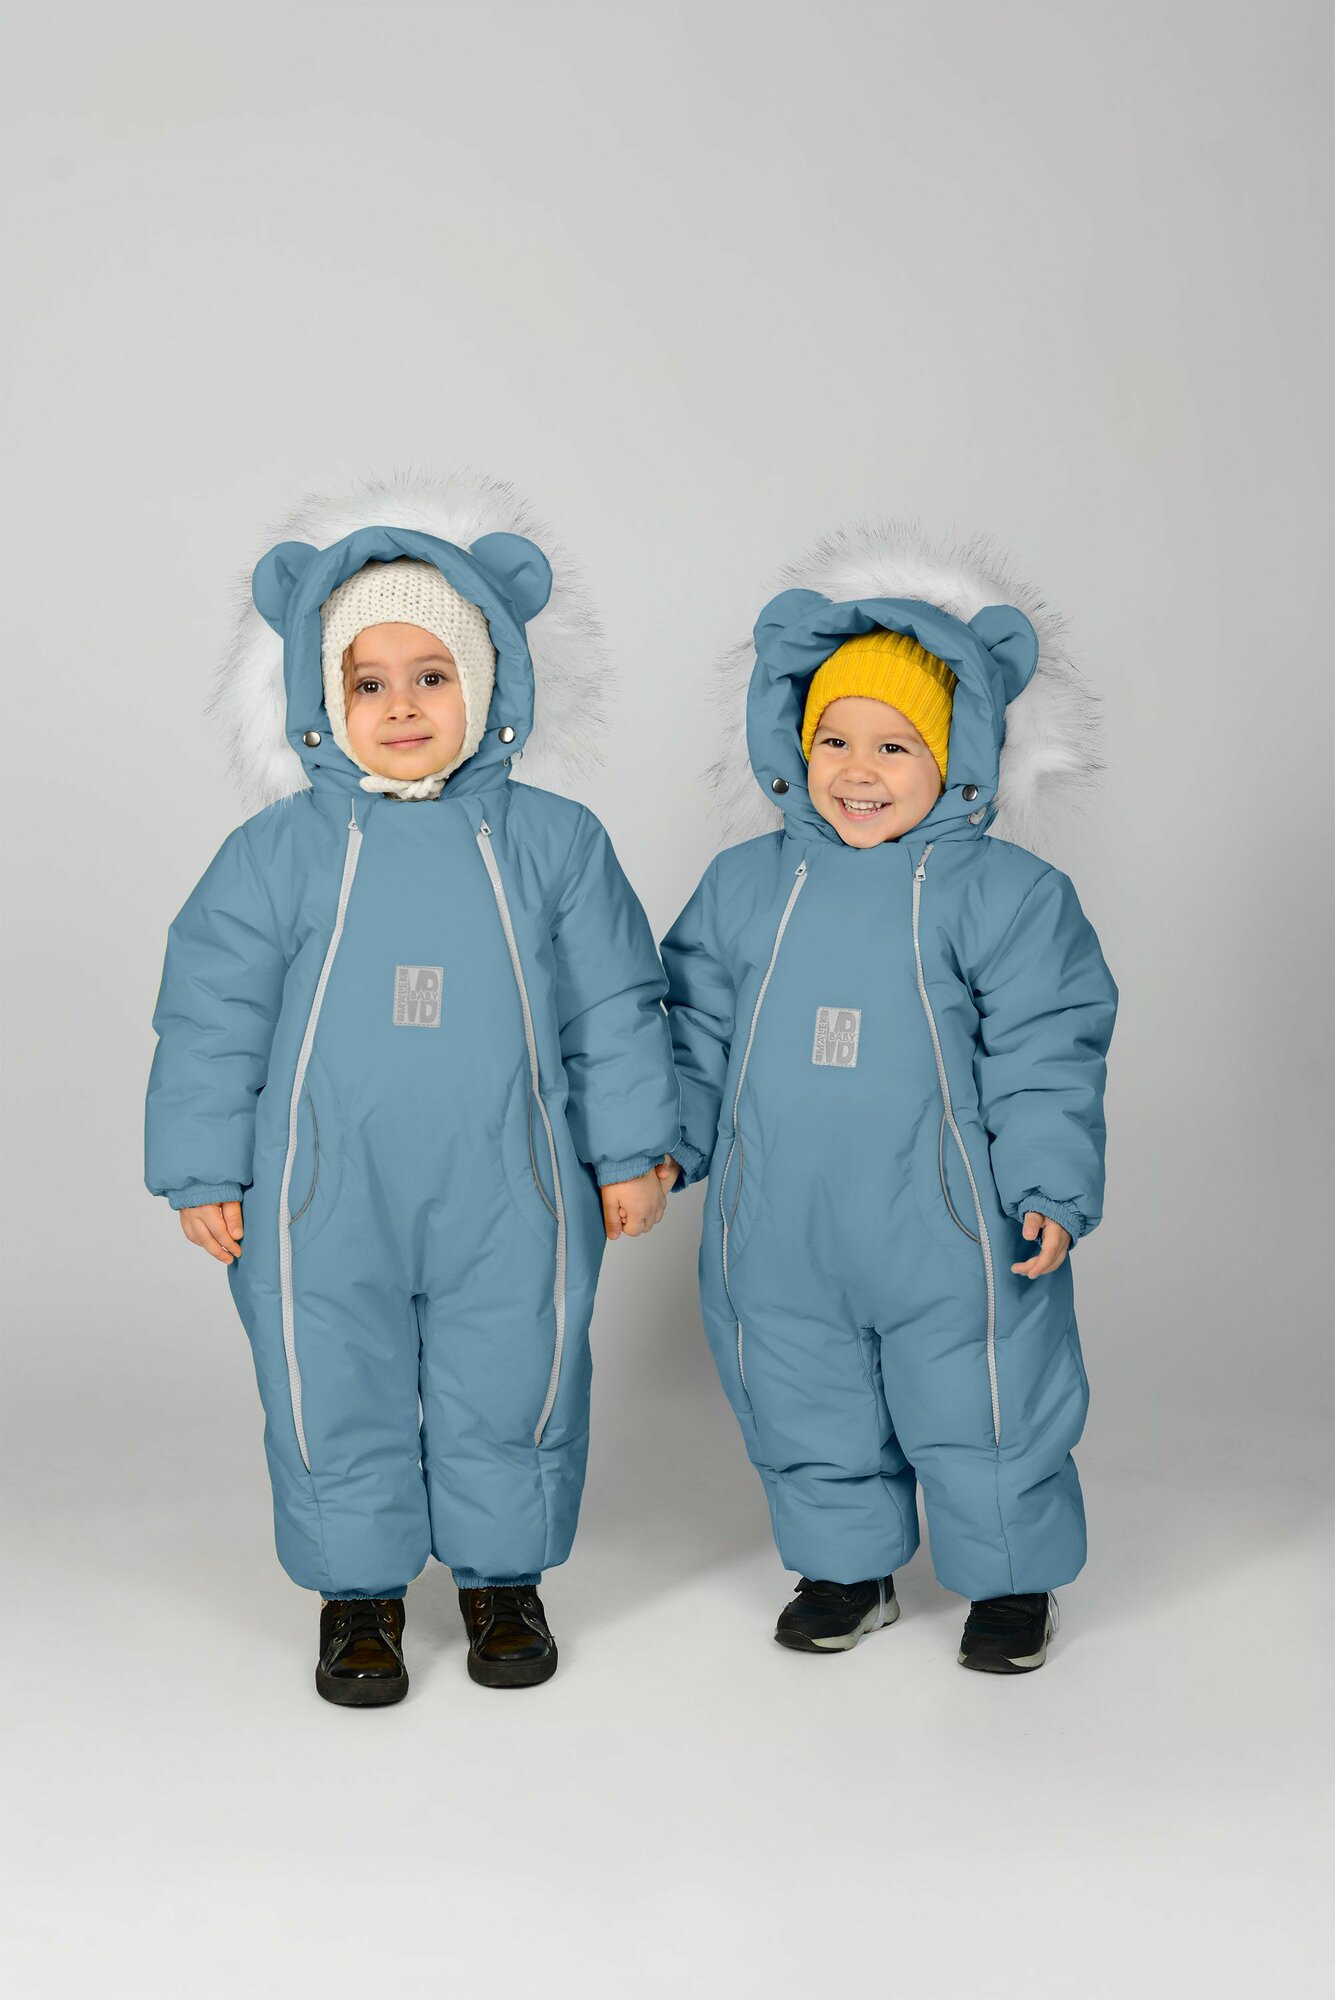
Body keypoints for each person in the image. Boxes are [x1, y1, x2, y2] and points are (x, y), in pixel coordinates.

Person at [145, 472, 681, 1705]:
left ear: (486, 683)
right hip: (321, 1186)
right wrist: (203, 1167)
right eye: (367, 682)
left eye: (431, 675)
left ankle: (503, 1577)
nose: (400, 706)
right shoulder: (276, 853)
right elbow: (211, 1015)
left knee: (515, 1367)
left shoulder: (555, 843)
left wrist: (629, 1151)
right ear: (318, 701)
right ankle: (359, 1592)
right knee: (332, 1375)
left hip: (514, 1181)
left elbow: (614, 1005)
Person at [659, 524, 1118, 1673]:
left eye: (895, 745)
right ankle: (844, 1567)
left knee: (983, 1399)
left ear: (959, 755)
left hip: (951, 1227)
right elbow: (692, 1024)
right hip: (778, 1224)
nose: (857, 771)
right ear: (793, 742)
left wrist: (1049, 1183)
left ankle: (1009, 1579)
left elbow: (1047, 1048)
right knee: (801, 1393)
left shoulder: (1004, 894)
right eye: (834, 739)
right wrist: (662, 1141)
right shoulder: (747, 885)